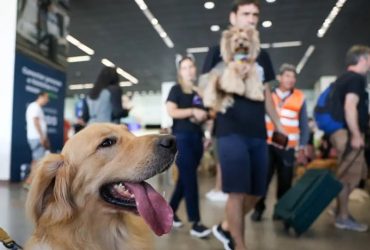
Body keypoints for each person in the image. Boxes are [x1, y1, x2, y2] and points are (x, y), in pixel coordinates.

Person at [202, 1, 285, 249]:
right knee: (237, 191)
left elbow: (267, 93)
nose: (252, 19)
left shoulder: (263, 55)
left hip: (258, 132)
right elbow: (206, 91)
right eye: (246, 14)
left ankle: (226, 227)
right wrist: (231, 76)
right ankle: (239, 244)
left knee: (258, 192)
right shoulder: (216, 52)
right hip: (229, 132)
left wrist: (279, 124)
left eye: (255, 15)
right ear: (233, 16)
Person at [251, 64, 310, 222]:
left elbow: (304, 124)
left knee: (285, 181)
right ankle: (258, 208)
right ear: (280, 77)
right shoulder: (268, 94)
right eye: (287, 76)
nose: (291, 80)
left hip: (288, 146)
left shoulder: (299, 97)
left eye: (293, 77)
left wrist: (302, 146)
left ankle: (280, 210)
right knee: (263, 178)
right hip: (268, 144)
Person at [166, 55, 211, 238]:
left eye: (191, 67)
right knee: (190, 179)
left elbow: (207, 114)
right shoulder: (176, 89)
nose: (189, 70)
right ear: (180, 71)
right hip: (182, 137)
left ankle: (169, 211)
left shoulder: (200, 91)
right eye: (184, 67)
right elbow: (172, 111)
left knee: (185, 180)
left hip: (197, 138)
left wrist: (207, 131)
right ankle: (196, 222)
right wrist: (192, 111)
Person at [329, 45, 370, 232]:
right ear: (362, 59)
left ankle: (340, 211)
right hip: (347, 132)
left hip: (341, 132)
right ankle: (342, 216)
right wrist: (355, 134)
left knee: (355, 173)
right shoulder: (355, 79)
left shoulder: (344, 78)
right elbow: (350, 106)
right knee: (348, 177)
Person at [24, 91, 50, 189]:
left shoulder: (36, 107)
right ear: (41, 96)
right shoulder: (35, 107)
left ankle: (29, 182)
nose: (47, 100)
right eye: (46, 98)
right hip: (36, 137)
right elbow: (35, 121)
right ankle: (29, 183)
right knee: (38, 161)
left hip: (36, 137)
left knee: (36, 160)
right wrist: (42, 137)